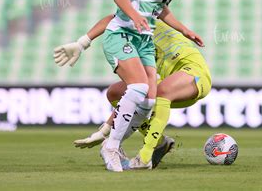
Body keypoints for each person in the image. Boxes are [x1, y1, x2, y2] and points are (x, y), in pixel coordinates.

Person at [68, 0, 202, 172]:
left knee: (149, 101)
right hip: (122, 34)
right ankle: (111, 146)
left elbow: (160, 9)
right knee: (139, 87)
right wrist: (135, 15)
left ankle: (113, 143)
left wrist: (186, 30)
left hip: (144, 40)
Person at [54, 15, 212, 170]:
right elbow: (132, 97)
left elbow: (111, 19)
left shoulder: (143, 21)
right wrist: (104, 130)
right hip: (167, 82)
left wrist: (82, 42)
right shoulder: (137, 52)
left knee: (163, 91)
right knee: (115, 93)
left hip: (195, 75)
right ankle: (160, 143)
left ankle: (145, 156)